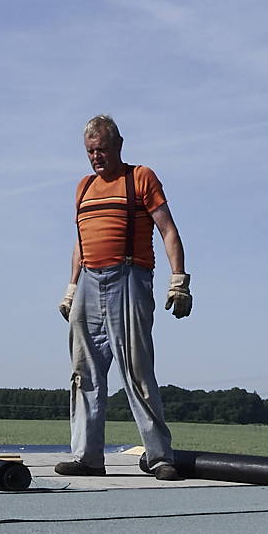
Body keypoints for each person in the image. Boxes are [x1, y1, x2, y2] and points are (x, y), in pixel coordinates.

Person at [56, 115, 191, 479]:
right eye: (89, 152)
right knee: (84, 373)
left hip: (128, 278)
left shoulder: (141, 178)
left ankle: (160, 457)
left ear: (118, 145)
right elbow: (81, 242)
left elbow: (168, 230)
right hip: (88, 281)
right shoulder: (84, 187)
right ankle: (87, 457)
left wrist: (179, 279)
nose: (96, 157)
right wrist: (71, 287)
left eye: (101, 149)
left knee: (137, 371)